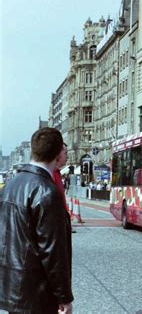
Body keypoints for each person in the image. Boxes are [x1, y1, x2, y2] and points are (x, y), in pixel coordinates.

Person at [0, 127, 73, 314]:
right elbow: (53, 252)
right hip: (37, 293)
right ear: (58, 154)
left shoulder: (11, 185)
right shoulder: (47, 192)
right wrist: (63, 297)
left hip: (13, 288)